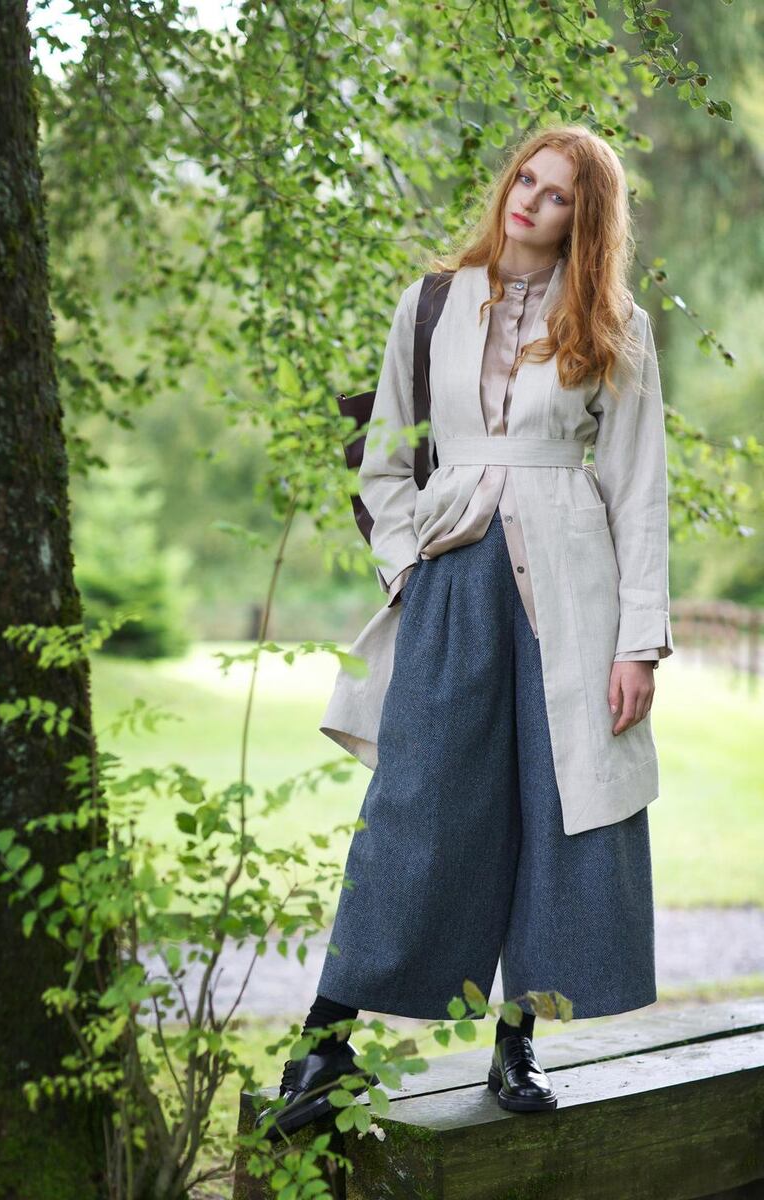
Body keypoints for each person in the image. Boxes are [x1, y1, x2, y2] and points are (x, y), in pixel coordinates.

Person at [256, 124, 673, 1139]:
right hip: (449, 579)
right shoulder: (431, 302)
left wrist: (636, 642)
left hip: (570, 591)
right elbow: (385, 460)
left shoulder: (611, 319)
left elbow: (636, 487)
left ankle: (514, 1039)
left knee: (554, 806)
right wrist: (406, 565)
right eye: (525, 179)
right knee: (416, 803)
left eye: (559, 192)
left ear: (588, 215)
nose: (530, 200)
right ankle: (323, 1041)